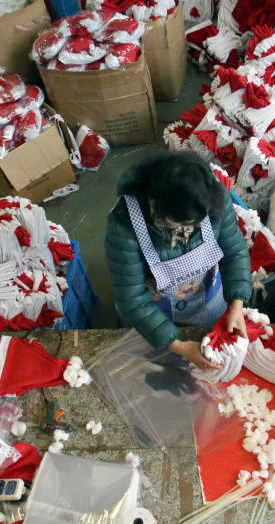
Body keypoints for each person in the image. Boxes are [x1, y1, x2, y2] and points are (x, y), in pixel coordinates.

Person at [105, 151, 252, 369]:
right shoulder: (125, 225)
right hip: (151, 316)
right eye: (179, 222)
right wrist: (178, 346)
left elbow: (235, 252)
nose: (188, 227)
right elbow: (132, 298)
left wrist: (237, 303)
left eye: (195, 221)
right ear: (157, 204)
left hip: (206, 302)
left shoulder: (211, 198)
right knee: (157, 367)